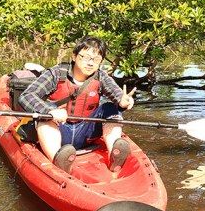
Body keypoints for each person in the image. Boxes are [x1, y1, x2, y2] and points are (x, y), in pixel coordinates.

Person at [18, 36, 136, 173]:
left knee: (110, 108)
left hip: (87, 133)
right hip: (59, 131)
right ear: (74, 56)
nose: (90, 63)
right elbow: (26, 96)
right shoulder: (55, 74)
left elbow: (116, 94)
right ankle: (58, 160)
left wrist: (123, 101)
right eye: (86, 57)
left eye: (96, 59)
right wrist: (49, 110)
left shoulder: (101, 77)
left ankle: (114, 154)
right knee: (44, 116)